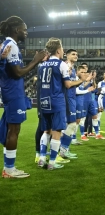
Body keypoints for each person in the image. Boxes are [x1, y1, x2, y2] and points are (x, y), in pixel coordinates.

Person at [0, 16, 47, 178]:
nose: (27, 32)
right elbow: (18, 72)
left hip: (11, 92)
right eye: (24, 29)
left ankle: (8, 168)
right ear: (16, 30)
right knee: (14, 130)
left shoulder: (8, 45)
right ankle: (9, 169)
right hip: (13, 93)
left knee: (9, 130)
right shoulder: (11, 45)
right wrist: (35, 61)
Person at [38, 38, 87, 170]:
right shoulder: (61, 64)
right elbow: (68, 84)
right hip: (57, 100)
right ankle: (52, 163)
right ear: (59, 50)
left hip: (44, 101)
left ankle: (42, 159)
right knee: (56, 131)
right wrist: (81, 80)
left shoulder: (42, 65)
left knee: (46, 131)